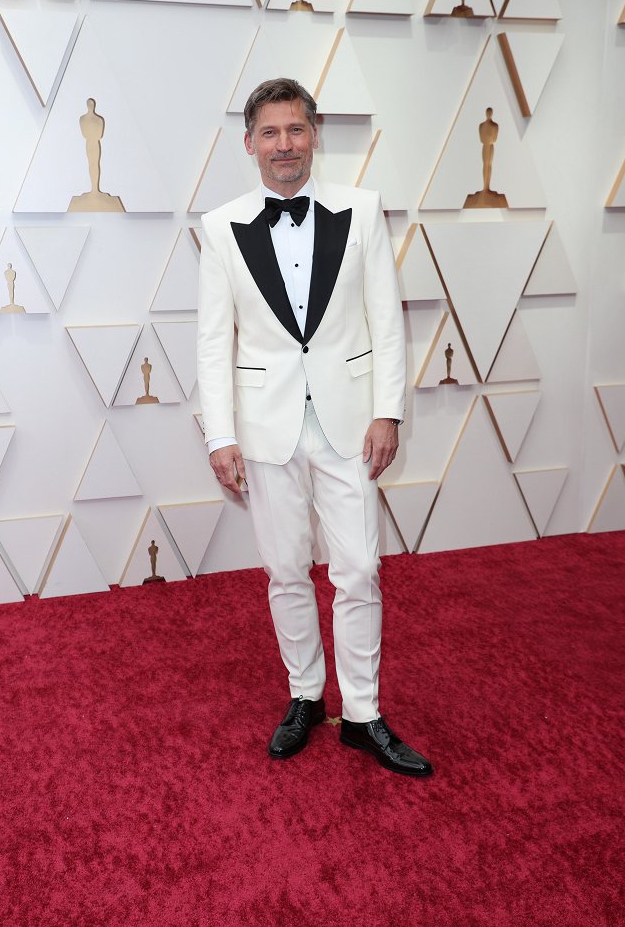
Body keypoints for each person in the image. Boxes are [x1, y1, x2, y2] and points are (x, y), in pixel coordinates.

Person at [197, 78, 432, 777]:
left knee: (358, 569)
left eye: (294, 130)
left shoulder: (361, 211)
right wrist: (218, 435)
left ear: (314, 134)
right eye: (269, 133)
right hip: (263, 426)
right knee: (285, 570)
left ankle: (361, 713)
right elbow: (214, 341)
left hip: (350, 422)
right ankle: (304, 694)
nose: (284, 146)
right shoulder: (220, 226)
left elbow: (386, 321)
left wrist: (387, 410)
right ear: (249, 144)